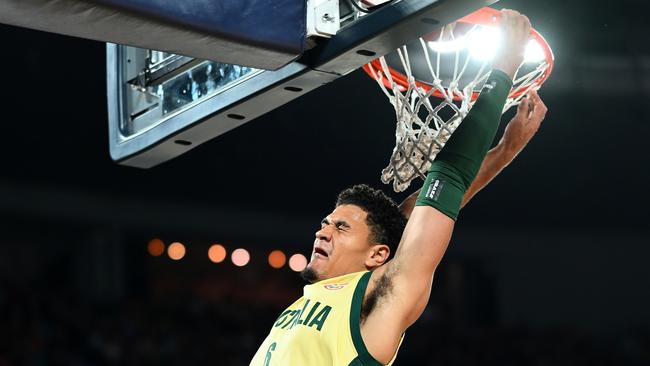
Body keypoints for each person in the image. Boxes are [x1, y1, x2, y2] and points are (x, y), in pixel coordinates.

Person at [250, 9, 548, 366]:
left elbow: (445, 181)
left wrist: (506, 67)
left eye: (340, 226)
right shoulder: (311, 301)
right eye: (327, 222)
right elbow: (414, 209)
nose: (323, 230)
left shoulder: (381, 294)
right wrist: (501, 154)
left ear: (377, 256)